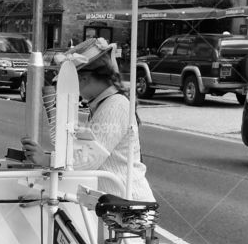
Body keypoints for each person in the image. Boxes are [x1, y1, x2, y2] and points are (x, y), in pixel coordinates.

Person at [20, 37, 155, 201]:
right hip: (118, 201)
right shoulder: (104, 104)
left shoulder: (115, 105)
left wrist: (46, 159)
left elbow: (90, 159)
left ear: (83, 79)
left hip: (128, 202)